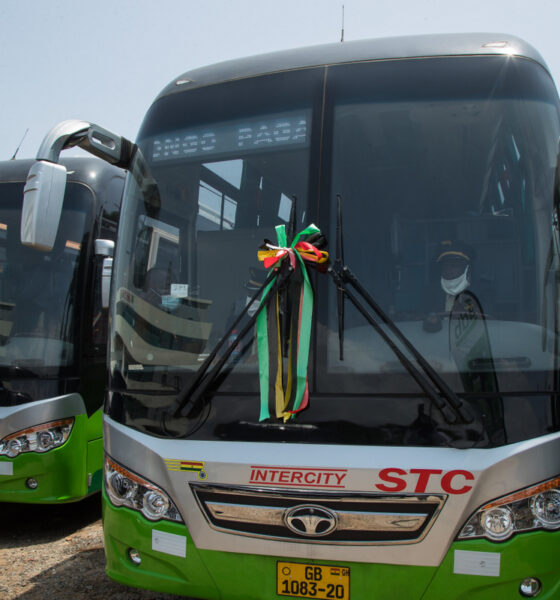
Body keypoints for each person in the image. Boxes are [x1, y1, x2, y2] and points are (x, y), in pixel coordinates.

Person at [436, 239, 473, 312]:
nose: (449, 269)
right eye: (445, 266)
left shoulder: (479, 294)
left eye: (454, 265)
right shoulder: (429, 294)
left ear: (466, 268)